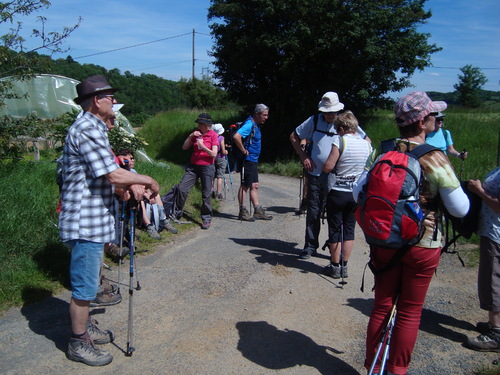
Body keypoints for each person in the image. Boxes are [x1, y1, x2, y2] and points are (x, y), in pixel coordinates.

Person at [356, 91, 470, 375]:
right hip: (423, 244)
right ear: (422, 123)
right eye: (433, 115)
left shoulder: (383, 150)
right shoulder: (435, 157)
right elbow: (460, 209)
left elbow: (358, 192)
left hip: (384, 240)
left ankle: (372, 366)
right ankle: (396, 370)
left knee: (382, 305)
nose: (437, 120)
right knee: (409, 311)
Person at [59, 75, 160, 366]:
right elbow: (113, 173)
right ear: (95, 101)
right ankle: (78, 342)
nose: (114, 102)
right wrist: (146, 179)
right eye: (110, 97)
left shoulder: (95, 128)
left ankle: (85, 327)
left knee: (89, 281)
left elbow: (100, 176)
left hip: (93, 220)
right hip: (84, 222)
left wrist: (125, 187)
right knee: (85, 288)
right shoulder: (87, 128)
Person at [290, 92, 369, 259]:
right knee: (313, 210)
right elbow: (294, 136)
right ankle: (310, 246)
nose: (329, 115)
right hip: (315, 174)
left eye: (332, 112)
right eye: (327, 112)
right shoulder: (314, 120)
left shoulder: (345, 123)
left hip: (338, 178)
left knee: (335, 215)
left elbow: (366, 141)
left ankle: (336, 252)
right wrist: (304, 157)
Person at [322, 111, 372, 278]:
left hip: (338, 192)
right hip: (356, 194)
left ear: (342, 128)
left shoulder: (340, 141)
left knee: (335, 229)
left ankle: (334, 266)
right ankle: (345, 266)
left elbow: (328, 166)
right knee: (350, 229)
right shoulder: (366, 144)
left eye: (338, 129)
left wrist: (326, 168)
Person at [465, 167, 500, 352]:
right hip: (492, 231)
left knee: (491, 280)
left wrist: (479, 191)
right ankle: (495, 322)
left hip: (496, 234)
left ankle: (496, 332)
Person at [176, 113, 218, 229]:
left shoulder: (213, 135)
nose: (199, 125)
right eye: (198, 123)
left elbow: (214, 154)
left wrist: (203, 146)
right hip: (193, 166)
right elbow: (184, 147)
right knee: (182, 188)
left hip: (207, 167)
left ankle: (206, 218)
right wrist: (190, 136)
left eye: (201, 123)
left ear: (207, 125)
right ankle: (177, 212)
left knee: (206, 194)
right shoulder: (195, 134)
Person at [233, 104, 273, 221]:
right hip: (248, 160)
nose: (266, 117)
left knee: (254, 185)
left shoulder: (256, 125)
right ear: (257, 114)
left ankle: (257, 210)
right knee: (245, 185)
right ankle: (242, 211)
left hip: (253, 160)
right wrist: (243, 150)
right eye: (264, 115)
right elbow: (236, 136)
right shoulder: (250, 124)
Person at [211, 123, 228, 200]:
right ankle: (218, 193)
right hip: (221, 158)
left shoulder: (212, 137)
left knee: (213, 176)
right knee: (220, 176)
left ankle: (211, 191)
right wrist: (226, 151)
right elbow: (223, 151)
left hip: (213, 158)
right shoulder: (221, 138)